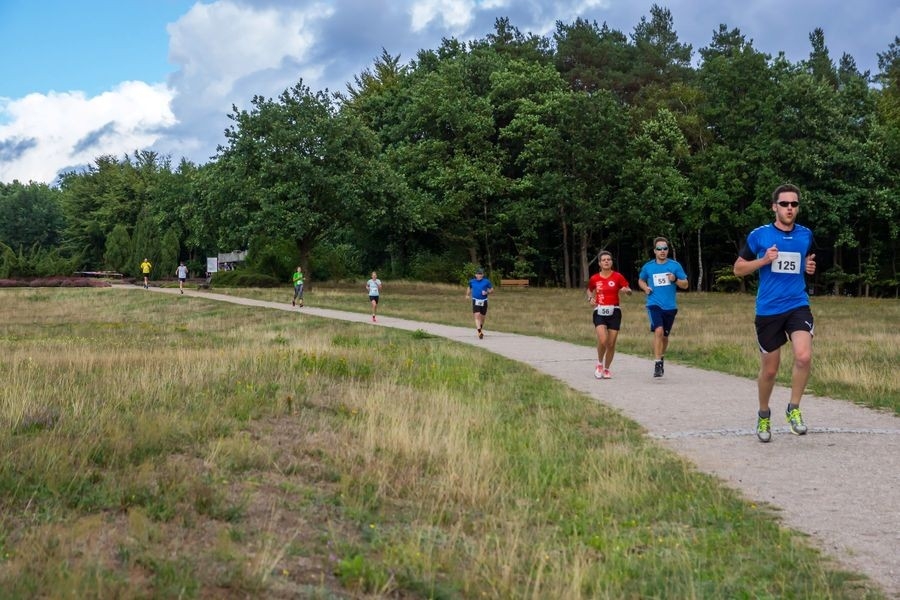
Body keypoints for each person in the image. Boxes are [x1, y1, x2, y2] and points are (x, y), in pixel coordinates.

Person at [733, 183, 817, 443]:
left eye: (794, 204)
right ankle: (764, 414)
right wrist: (763, 261)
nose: (789, 208)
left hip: (797, 304)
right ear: (774, 207)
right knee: (770, 371)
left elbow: (806, 261)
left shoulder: (806, 235)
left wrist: (808, 267)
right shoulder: (759, 235)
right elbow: (738, 269)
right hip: (768, 309)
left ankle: (793, 409)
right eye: (784, 204)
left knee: (803, 356)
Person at [638, 237, 689, 377]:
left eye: (665, 248)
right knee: (658, 331)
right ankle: (657, 364)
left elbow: (685, 284)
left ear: (668, 250)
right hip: (653, 304)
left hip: (670, 306)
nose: (662, 251)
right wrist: (645, 288)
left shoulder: (675, 266)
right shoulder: (648, 267)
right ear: (654, 251)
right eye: (659, 249)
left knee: (665, 336)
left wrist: (675, 279)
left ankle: (661, 356)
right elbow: (641, 280)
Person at [587, 251, 632, 379]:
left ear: (611, 262)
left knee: (611, 344)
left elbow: (629, 290)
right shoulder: (595, 278)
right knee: (603, 340)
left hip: (614, 311)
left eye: (609, 259)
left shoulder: (618, 276)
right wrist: (590, 298)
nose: (606, 261)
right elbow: (589, 290)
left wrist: (626, 291)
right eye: (604, 260)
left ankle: (606, 369)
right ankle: (599, 364)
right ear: (599, 263)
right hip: (599, 311)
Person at [465, 267, 494, 339]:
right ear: (475, 275)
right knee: (477, 315)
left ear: (483, 275)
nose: (480, 275)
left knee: (482, 317)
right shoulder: (472, 281)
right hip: (475, 300)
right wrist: (467, 295)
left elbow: (492, 290)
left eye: (481, 274)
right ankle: (479, 332)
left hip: (484, 301)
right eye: (478, 274)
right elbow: (469, 287)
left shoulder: (486, 281)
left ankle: (480, 328)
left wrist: (487, 292)